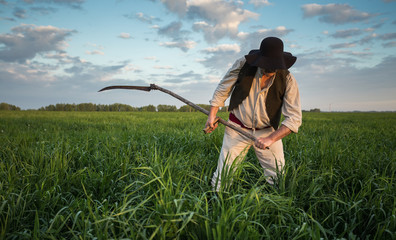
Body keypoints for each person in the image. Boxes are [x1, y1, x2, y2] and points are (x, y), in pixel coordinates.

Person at [205, 36, 302, 192]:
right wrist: (212, 115)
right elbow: (223, 88)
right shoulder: (244, 64)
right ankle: (217, 202)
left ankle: (275, 206)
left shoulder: (288, 79)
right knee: (223, 176)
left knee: (278, 177)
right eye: (266, 64)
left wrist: (270, 139)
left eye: (274, 65)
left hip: (268, 130)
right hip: (237, 127)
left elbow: (294, 119)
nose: (269, 69)